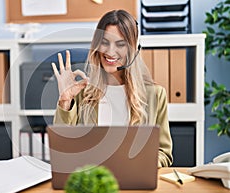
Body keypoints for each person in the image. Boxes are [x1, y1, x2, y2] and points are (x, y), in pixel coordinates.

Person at [51, 9, 173, 167]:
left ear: (133, 50)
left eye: (120, 44)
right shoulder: (82, 93)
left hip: (134, 180)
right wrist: (65, 101)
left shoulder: (155, 95)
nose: (110, 51)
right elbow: (61, 147)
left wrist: (140, 163)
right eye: (105, 42)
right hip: (93, 181)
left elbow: (164, 153)